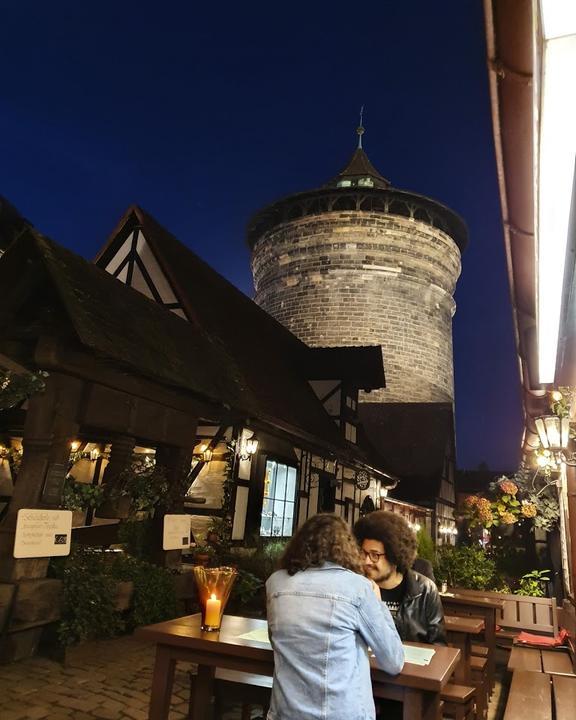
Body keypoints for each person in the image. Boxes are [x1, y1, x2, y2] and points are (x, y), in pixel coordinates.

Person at [266, 513, 404, 720]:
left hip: (285, 713)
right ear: (346, 548)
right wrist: (379, 603)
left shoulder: (275, 583)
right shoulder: (358, 588)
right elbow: (393, 661)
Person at [354, 511, 446, 645]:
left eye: (375, 555)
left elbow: (439, 644)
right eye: (364, 553)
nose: (367, 561)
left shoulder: (424, 590)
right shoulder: (356, 586)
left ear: (394, 556)